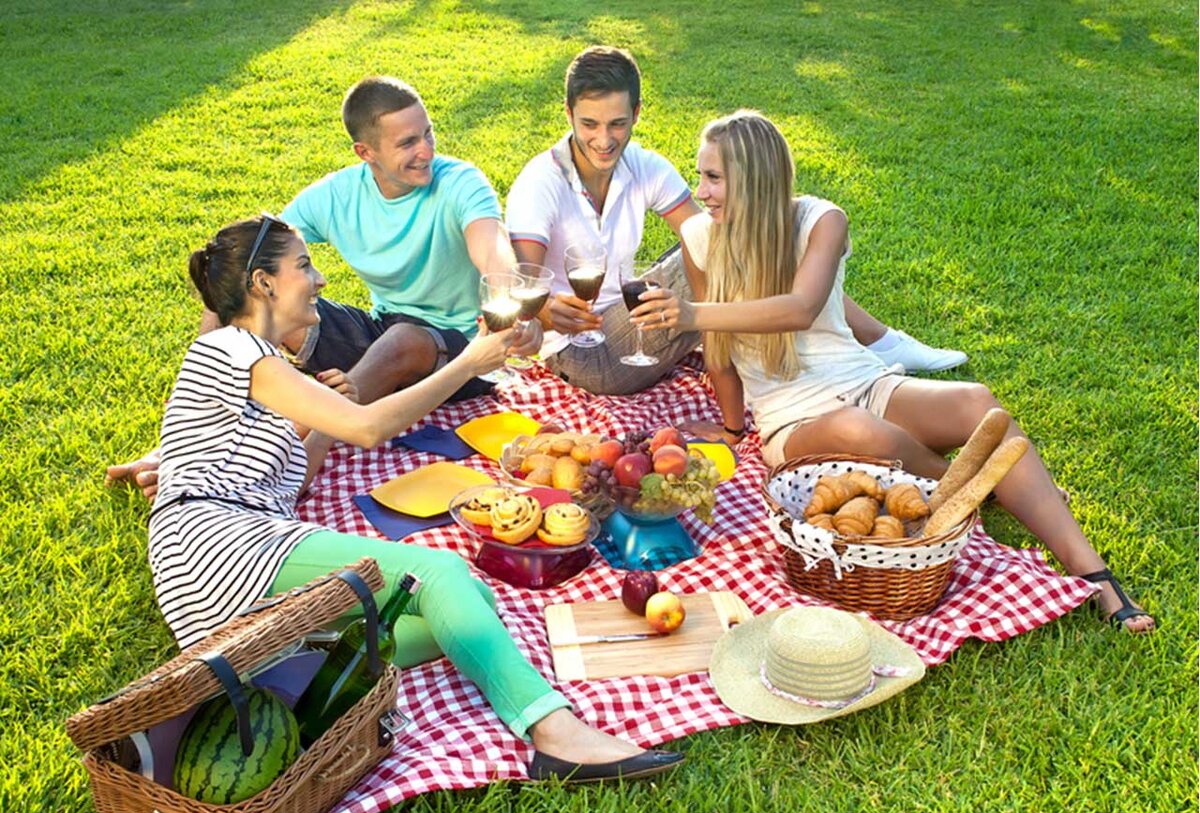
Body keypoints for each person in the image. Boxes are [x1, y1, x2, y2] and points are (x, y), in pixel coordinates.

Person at [148, 214, 684, 781]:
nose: (321, 280)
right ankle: (553, 730)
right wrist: (466, 363)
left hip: (218, 588)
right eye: (304, 265)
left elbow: (294, 478)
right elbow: (372, 429)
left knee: (469, 597)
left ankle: (303, 678)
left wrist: (327, 419)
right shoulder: (234, 348)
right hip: (216, 547)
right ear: (263, 283)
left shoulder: (266, 365)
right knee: (438, 574)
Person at [634, 110, 1153, 633]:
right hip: (793, 418)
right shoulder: (700, 237)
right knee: (860, 432)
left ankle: (1097, 577)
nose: (701, 191)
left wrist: (693, 315)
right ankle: (982, 489)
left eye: (714, 177)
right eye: (701, 175)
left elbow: (800, 307)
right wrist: (730, 428)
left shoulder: (821, 221)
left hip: (864, 380)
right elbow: (720, 350)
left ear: (756, 177)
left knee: (978, 402)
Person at [108, 75, 541, 498]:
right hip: (382, 330)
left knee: (402, 340)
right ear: (365, 151)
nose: (426, 150)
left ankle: (303, 456)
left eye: (428, 133)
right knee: (264, 305)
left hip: (462, 349)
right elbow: (247, 267)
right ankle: (186, 448)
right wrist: (208, 381)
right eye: (407, 143)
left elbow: (492, 251)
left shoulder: (462, 182)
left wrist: (508, 306)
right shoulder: (335, 195)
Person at [506, 45, 964, 394]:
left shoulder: (643, 166)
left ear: (636, 114)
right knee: (709, 247)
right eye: (589, 124)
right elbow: (526, 289)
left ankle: (862, 345)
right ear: (568, 114)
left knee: (726, 236)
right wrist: (547, 309)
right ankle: (870, 346)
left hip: (633, 329)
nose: (604, 140)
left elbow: (726, 233)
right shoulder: (540, 182)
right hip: (584, 354)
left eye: (617, 124)